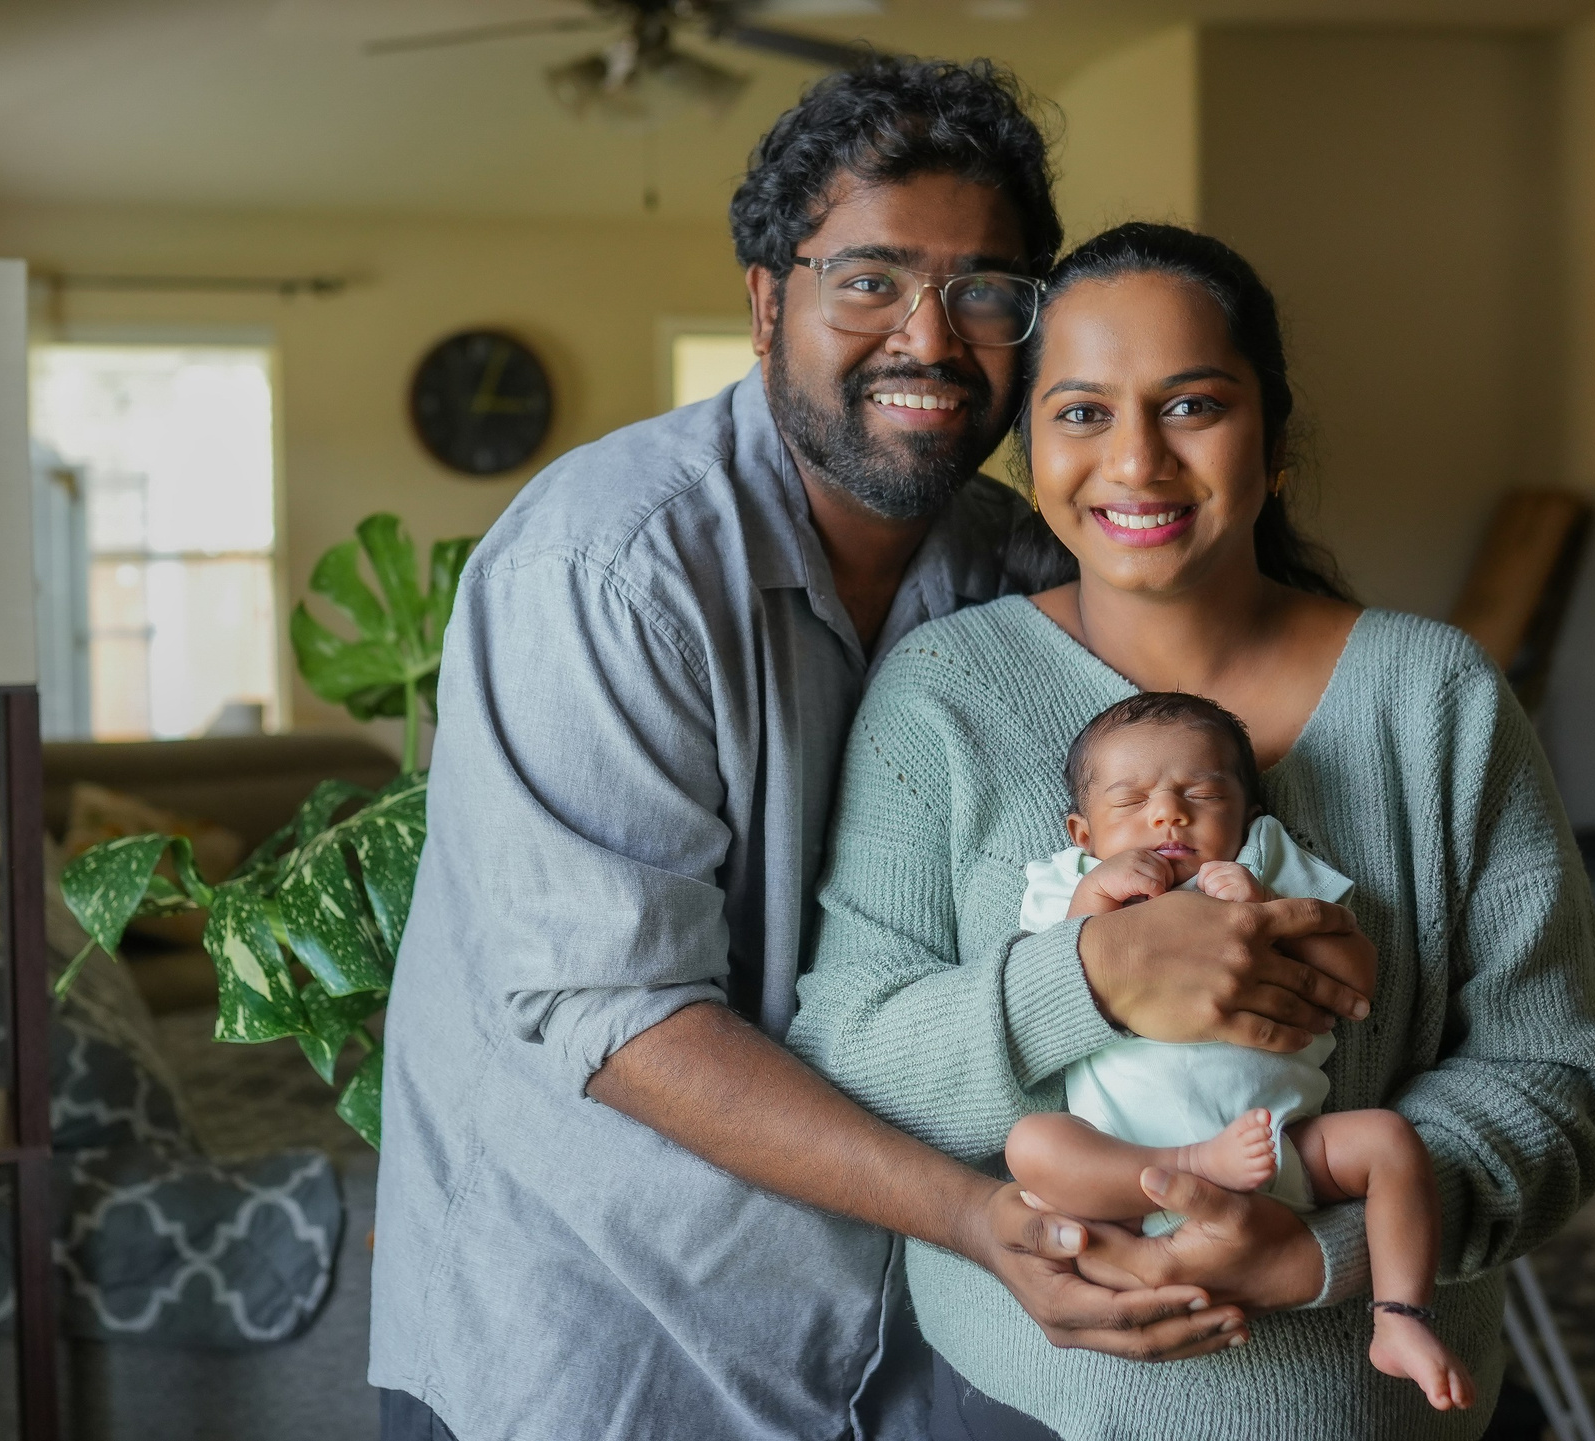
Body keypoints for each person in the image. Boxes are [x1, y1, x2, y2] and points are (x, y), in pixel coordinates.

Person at [370, 66, 1377, 1441]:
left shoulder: (1010, 570)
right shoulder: (606, 570)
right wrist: (978, 1213)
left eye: (985, 294)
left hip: (905, 1337)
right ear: (766, 301)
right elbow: (619, 1016)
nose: (931, 340)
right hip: (598, 1331)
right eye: (869, 282)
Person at [787, 222, 1595, 1439]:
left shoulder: (1431, 695)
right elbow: (850, 1044)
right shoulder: (944, 695)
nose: (1136, 460)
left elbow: (1559, 1079)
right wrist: (1088, 977)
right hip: (1014, 1403)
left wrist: (1314, 1256)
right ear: (1028, 452)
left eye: (1191, 405)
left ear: (1274, 443)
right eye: (1080, 412)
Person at [1004, 691, 1474, 1412]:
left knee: (1389, 1141)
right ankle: (1196, 1168)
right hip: (1130, 1167)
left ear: (1249, 815)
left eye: (1199, 793)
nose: (1168, 814)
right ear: (1082, 830)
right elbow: (1044, 988)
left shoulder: (1271, 860)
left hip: (1284, 1145)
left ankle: (1400, 1317)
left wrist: (1260, 905)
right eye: (1131, 800)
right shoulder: (1066, 881)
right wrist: (1092, 913)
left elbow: (1356, 981)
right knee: (1035, 1145)